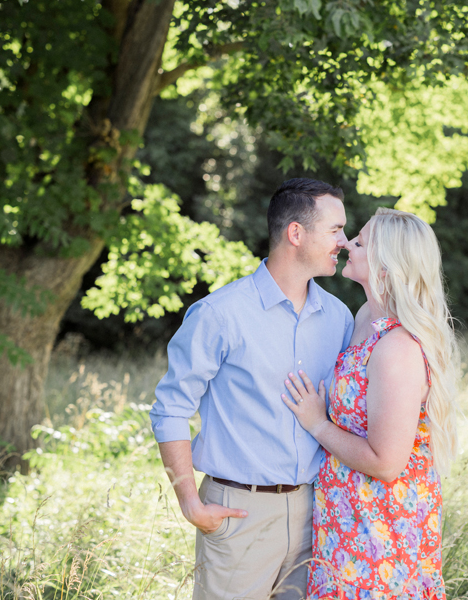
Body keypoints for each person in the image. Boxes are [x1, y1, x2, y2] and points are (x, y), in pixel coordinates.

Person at [150, 178, 355, 600]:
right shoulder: (219, 314)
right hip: (238, 512)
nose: (344, 241)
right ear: (295, 233)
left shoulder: (340, 318)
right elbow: (170, 409)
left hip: (317, 512)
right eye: (335, 229)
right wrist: (190, 500)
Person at [283, 207, 460, 600]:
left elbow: (386, 461)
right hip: (348, 520)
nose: (346, 243)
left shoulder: (397, 348)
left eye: (359, 242)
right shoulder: (365, 317)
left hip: (381, 530)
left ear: (385, 267)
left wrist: (317, 424)